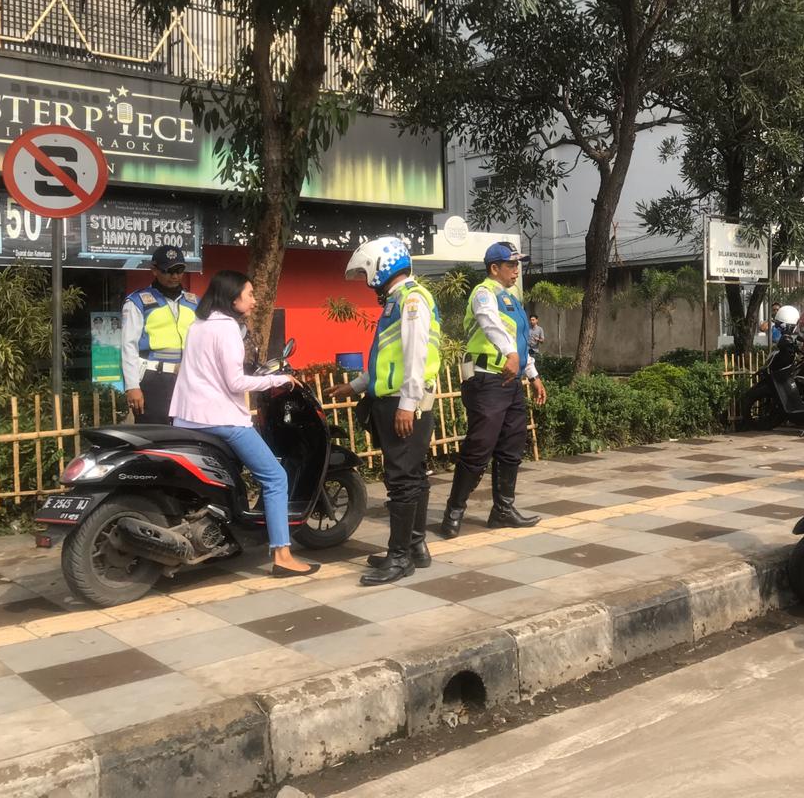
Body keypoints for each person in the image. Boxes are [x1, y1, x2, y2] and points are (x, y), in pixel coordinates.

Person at [168, 270, 316, 577]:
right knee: (275, 477)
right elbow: (235, 381)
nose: (253, 300)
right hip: (221, 419)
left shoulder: (198, 325)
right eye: (249, 294)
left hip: (186, 418)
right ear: (233, 297)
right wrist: (281, 379)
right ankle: (282, 554)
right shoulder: (227, 329)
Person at [328, 237, 442, 586]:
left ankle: (399, 557)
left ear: (382, 266)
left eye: (366, 273)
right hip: (395, 398)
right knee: (413, 476)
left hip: (402, 402)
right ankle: (415, 546)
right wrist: (358, 385)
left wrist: (407, 404)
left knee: (402, 481)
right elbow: (386, 359)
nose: (366, 281)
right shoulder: (398, 301)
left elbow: (415, 356)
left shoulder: (411, 300)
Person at [441, 241, 548, 538]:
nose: (517, 270)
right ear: (494, 268)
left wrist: (532, 375)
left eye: (518, 264)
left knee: (511, 448)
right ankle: (454, 509)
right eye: (511, 265)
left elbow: (521, 339)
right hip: (486, 380)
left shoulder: (512, 298)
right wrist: (511, 354)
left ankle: (502, 509)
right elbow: (491, 326)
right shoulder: (484, 294)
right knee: (479, 448)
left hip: (510, 381)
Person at [121, 245, 198, 423]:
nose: (175, 276)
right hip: (154, 378)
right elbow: (128, 346)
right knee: (156, 436)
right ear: (154, 270)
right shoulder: (137, 302)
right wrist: (132, 386)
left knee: (189, 434)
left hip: (188, 378)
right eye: (168, 271)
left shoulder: (193, 302)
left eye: (179, 270)